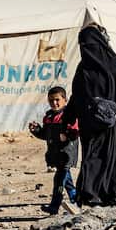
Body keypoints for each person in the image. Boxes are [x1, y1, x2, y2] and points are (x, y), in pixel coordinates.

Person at [62, 25, 116, 206]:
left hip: (109, 122)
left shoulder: (109, 66)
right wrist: (67, 120)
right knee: (95, 158)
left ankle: (105, 193)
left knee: (107, 158)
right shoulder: (89, 68)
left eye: (89, 45)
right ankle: (92, 194)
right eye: (83, 45)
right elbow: (77, 97)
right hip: (95, 123)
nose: (86, 49)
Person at [28, 85, 80, 216]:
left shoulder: (69, 115)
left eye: (57, 99)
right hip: (54, 154)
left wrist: (67, 135)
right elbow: (45, 135)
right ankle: (77, 200)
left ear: (65, 100)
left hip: (66, 154)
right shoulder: (49, 116)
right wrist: (37, 130)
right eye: (51, 100)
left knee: (59, 179)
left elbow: (75, 132)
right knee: (66, 180)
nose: (54, 103)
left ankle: (54, 206)